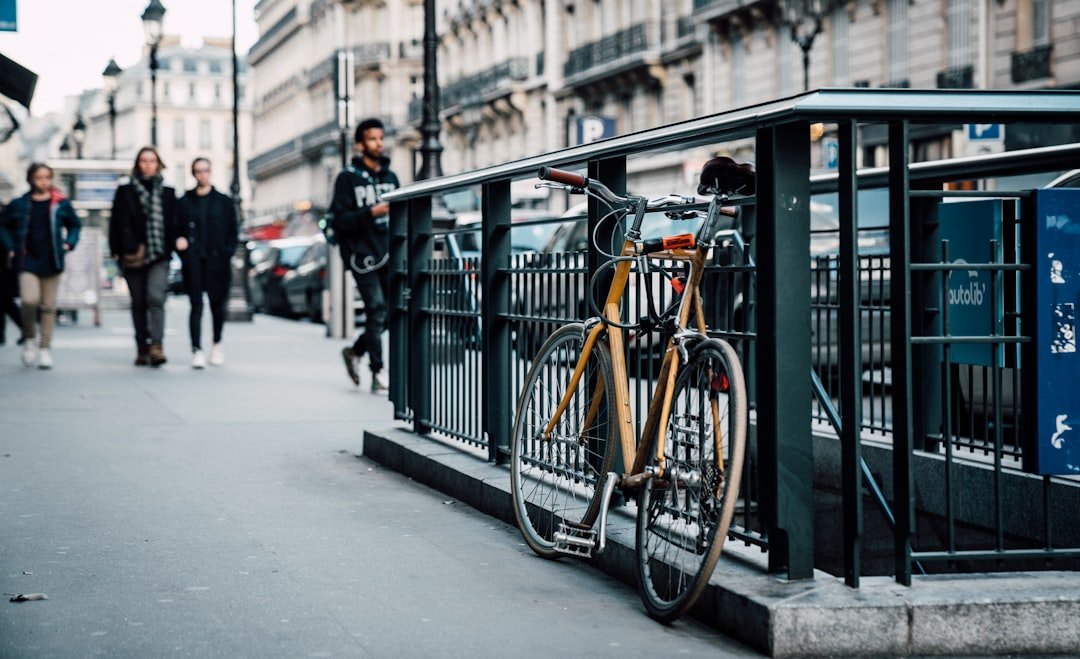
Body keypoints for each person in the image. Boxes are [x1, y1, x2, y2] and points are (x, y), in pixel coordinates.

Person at [331, 117, 400, 392]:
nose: (379, 143)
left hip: (389, 253)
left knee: (390, 314)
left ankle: (354, 352)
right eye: (372, 139)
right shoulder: (347, 178)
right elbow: (339, 219)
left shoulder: (391, 178)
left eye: (381, 138)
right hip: (362, 257)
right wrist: (371, 212)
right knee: (376, 309)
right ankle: (378, 370)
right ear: (361, 144)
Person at [0, 163, 81, 368]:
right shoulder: (19, 204)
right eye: (39, 177)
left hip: (53, 260)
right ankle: (29, 339)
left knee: (47, 307)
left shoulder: (60, 203)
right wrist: (10, 246)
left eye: (47, 177)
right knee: (29, 301)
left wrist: (68, 243)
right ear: (31, 179)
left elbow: (75, 225)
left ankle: (44, 349)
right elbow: (3, 226)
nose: (44, 181)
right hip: (27, 260)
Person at [109, 146, 180, 367]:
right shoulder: (125, 191)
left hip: (159, 254)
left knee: (155, 298)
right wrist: (116, 250)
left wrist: (176, 242)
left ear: (158, 164)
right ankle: (142, 346)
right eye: (144, 161)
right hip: (132, 254)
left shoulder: (168, 193)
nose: (148, 164)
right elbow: (116, 223)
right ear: (138, 164)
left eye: (152, 160)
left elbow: (174, 223)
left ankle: (156, 346)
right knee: (138, 302)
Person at [175, 157, 238, 369]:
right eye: (198, 171)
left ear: (210, 172)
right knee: (196, 305)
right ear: (194, 174)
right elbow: (177, 230)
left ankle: (217, 344)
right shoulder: (184, 202)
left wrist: (226, 253)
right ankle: (196, 349)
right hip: (194, 261)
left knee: (217, 305)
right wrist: (181, 243)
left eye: (206, 170)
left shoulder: (223, 201)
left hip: (217, 261)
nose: (203, 174)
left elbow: (232, 231)